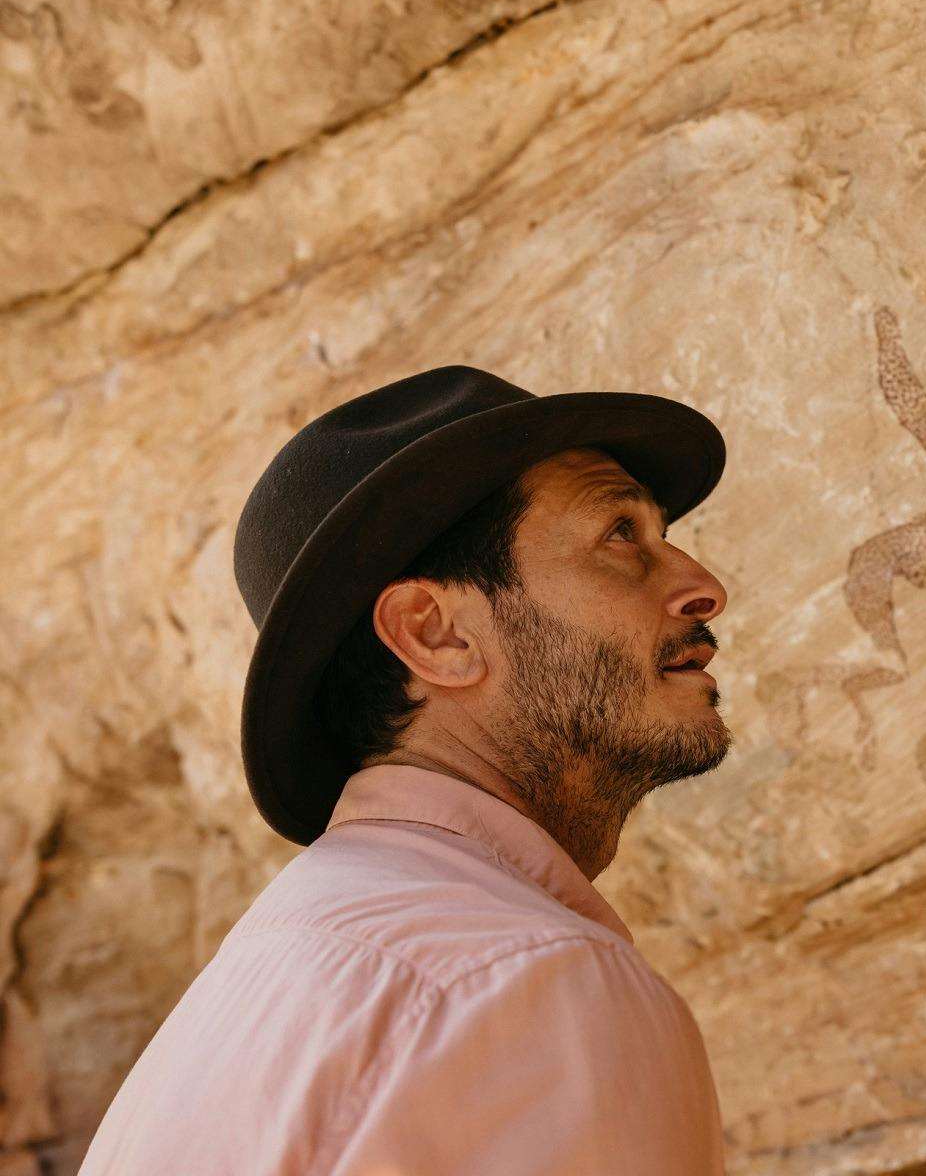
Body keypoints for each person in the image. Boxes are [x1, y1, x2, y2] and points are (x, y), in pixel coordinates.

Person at [79, 366, 736, 1174]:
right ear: (436, 636)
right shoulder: (533, 991)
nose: (705, 588)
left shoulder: (264, 973)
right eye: (620, 537)